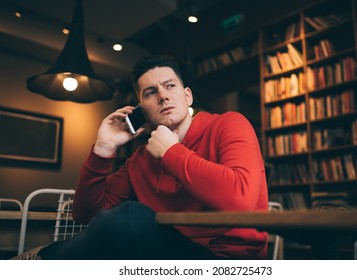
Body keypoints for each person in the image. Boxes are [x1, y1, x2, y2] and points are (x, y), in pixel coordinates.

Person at [13, 54, 269, 260]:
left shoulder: (229, 124)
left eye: (170, 86)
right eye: (150, 92)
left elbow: (241, 200)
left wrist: (171, 152)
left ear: (187, 95)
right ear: (141, 109)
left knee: (131, 217)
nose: (163, 95)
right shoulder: (140, 159)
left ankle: (42, 262)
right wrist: (104, 148)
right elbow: (86, 215)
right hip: (162, 257)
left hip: (228, 262)